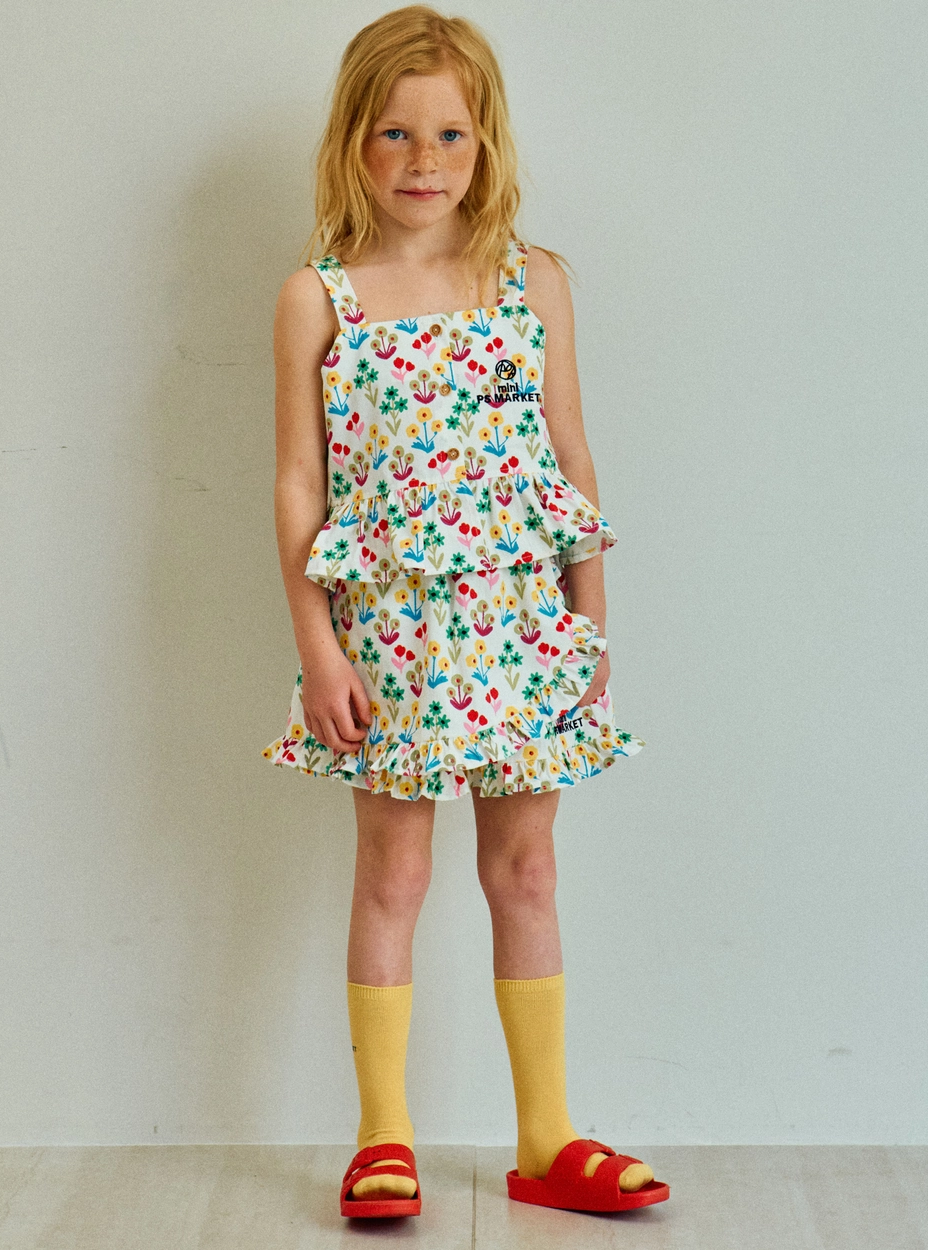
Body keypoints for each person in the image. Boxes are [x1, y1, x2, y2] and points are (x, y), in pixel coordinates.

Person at [261, 4, 668, 1220]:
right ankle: (381, 1134)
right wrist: (317, 645)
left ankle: (545, 1137)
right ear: (351, 141)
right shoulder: (319, 299)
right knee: (391, 872)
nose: (422, 160)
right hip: (388, 637)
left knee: (525, 868)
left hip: (521, 626)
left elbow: (569, 456)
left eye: (448, 133)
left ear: (484, 141)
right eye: (393, 133)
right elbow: (298, 483)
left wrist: (587, 618)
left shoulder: (530, 282)